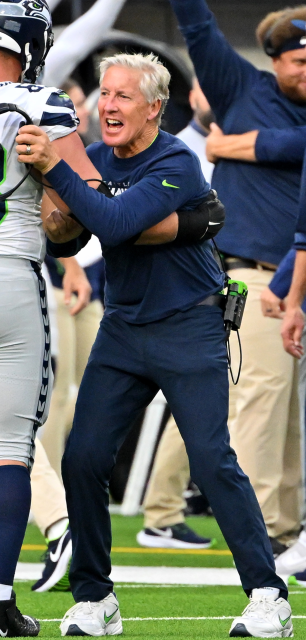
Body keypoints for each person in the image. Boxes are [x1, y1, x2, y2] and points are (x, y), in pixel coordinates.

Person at [19, 52, 291, 638]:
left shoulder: (175, 160)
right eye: (103, 93)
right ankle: (96, 598)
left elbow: (113, 225)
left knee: (213, 461)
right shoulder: (91, 159)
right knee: (83, 458)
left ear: (154, 108)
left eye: (121, 95)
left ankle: (268, 595)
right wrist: (60, 207)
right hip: (123, 326)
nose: (107, 105)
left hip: (188, 325)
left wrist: (59, 174)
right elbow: (67, 239)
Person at [0, 1, 180, 632]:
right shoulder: (43, 105)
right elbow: (77, 222)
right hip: (12, 275)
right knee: (9, 449)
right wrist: (53, 180)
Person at [168, 0, 306, 553]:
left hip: (296, 281)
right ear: (273, 59)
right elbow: (198, 28)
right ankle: (259, 532)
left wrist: (242, 146)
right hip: (256, 278)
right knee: (262, 404)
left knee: (289, 415)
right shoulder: (242, 88)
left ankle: (288, 530)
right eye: (298, 59)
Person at [137, 78, 217, 550]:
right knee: (195, 408)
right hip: (170, 294)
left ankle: (165, 509)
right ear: (189, 96)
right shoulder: (180, 150)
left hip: (205, 286)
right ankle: (162, 511)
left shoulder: (217, 145)